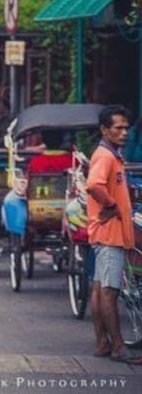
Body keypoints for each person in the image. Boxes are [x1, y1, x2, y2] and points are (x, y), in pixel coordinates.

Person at [86, 105, 142, 364]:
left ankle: (102, 343)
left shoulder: (111, 155)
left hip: (107, 233)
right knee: (109, 291)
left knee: (99, 288)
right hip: (110, 235)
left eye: (126, 128)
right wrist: (111, 206)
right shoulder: (106, 156)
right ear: (104, 130)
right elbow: (94, 185)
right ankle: (118, 346)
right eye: (118, 128)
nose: (124, 132)